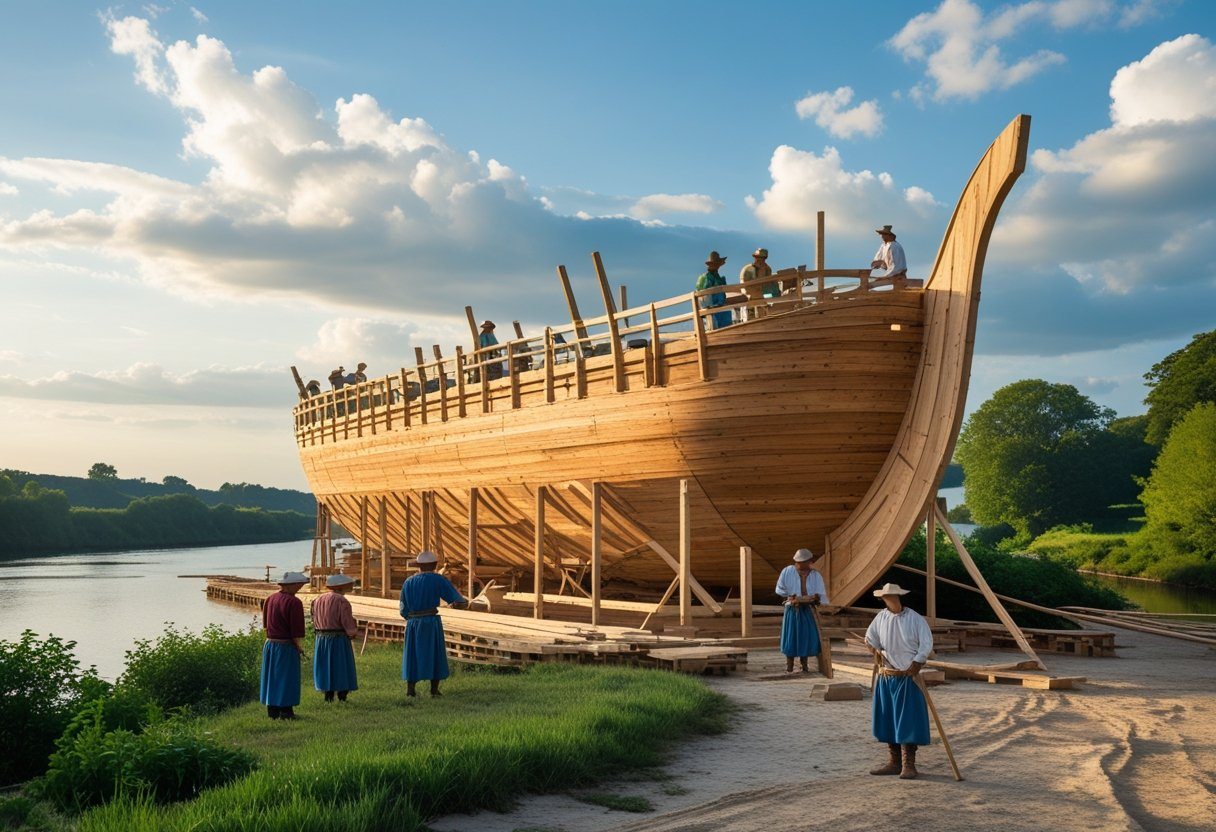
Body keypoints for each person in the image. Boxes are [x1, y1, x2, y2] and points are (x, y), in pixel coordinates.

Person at [865, 582, 934, 780]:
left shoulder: (915, 619)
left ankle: (908, 764)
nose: (890, 599)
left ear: (898, 597)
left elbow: (926, 643)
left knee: (908, 720)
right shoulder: (881, 617)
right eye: (886, 597)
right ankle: (894, 762)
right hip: (887, 675)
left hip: (907, 676)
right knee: (889, 719)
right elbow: (870, 638)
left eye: (893, 596)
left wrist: (917, 662)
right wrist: (875, 650)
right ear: (883, 599)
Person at [399, 551, 470, 697]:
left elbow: (402, 609)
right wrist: (463, 603)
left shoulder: (408, 582)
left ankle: (410, 690)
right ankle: (434, 690)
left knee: (413, 654)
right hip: (431, 622)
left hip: (413, 624)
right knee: (434, 653)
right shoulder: (437, 580)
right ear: (435, 565)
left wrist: (411, 619)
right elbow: (458, 601)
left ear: (418, 566)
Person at [260, 571, 308, 720]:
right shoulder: (294, 602)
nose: (300, 588)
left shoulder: (270, 598)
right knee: (286, 678)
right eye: (299, 585)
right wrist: (298, 646)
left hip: (270, 645)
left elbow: (266, 625)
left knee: (272, 678)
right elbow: (295, 630)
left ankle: (272, 711)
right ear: (292, 585)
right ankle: (286, 711)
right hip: (285, 645)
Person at [775, 548, 829, 673]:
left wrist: (817, 597)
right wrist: (789, 595)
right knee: (791, 637)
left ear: (809, 562)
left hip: (808, 609)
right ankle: (789, 666)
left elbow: (821, 593)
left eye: (802, 562)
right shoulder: (787, 571)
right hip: (792, 609)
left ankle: (805, 666)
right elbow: (779, 589)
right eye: (798, 562)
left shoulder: (815, 575)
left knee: (805, 637)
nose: (799, 564)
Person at [311, 573, 359, 703]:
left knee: (326, 666)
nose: (351, 586)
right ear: (341, 586)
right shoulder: (342, 601)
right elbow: (346, 621)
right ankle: (342, 695)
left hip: (322, 638)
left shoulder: (318, 600)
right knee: (340, 666)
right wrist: (352, 632)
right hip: (338, 638)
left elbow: (313, 618)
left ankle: (328, 694)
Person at [695, 251, 733, 330]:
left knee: (726, 325)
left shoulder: (717, 276)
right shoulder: (704, 278)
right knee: (714, 327)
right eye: (715, 264)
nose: (717, 266)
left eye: (717, 264)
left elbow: (723, 291)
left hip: (721, 307)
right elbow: (701, 296)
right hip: (711, 308)